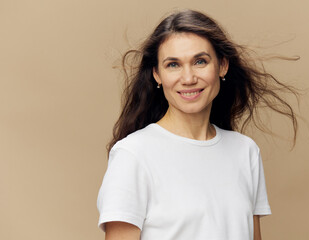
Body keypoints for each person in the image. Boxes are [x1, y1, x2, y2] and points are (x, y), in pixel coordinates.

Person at [97, 9, 298, 240]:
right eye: (173, 64)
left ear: (222, 66)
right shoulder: (133, 155)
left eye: (200, 61)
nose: (189, 77)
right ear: (157, 75)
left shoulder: (245, 151)